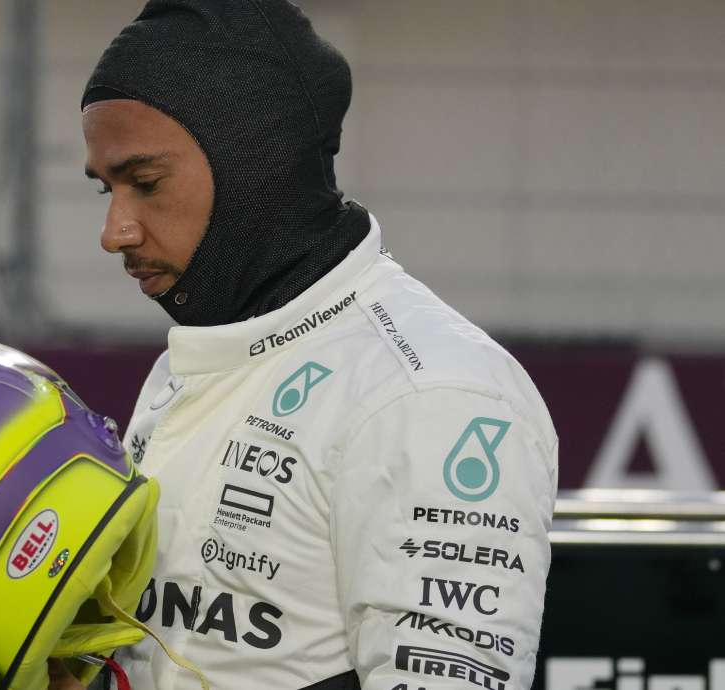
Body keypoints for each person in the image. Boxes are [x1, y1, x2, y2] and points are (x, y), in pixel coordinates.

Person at [66, 1, 559, 689]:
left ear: (253, 168)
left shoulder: (431, 394)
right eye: (106, 190)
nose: (115, 230)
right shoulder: (190, 365)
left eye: (144, 184)